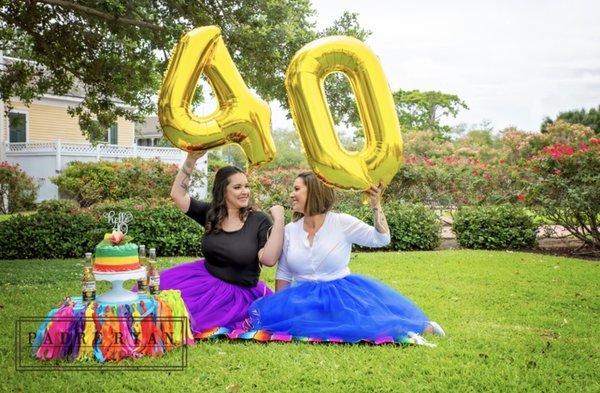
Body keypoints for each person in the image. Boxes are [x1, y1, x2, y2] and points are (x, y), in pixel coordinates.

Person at [247, 171, 444, 344]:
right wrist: (281, 306)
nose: (291, 194)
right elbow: (284, 272)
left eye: (297, 189)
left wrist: (376, 206)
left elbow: (381, 239)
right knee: (296, 327)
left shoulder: (342, 222)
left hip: (339, 296)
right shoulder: (289, 231)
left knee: (362, 327)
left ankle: (424, 327)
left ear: (314, 192)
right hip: (303, 299)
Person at [158, 151, 284, 335]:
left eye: (247, 186)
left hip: (239, 295)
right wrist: (191, 159)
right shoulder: (211, 213)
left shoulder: (259, 220)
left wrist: (279, 221)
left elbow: (269, 259)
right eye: (238, 187)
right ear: (223, 191)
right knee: (165, 309)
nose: (245, 191)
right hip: (202, 282)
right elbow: (177, 195)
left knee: (196, 323)